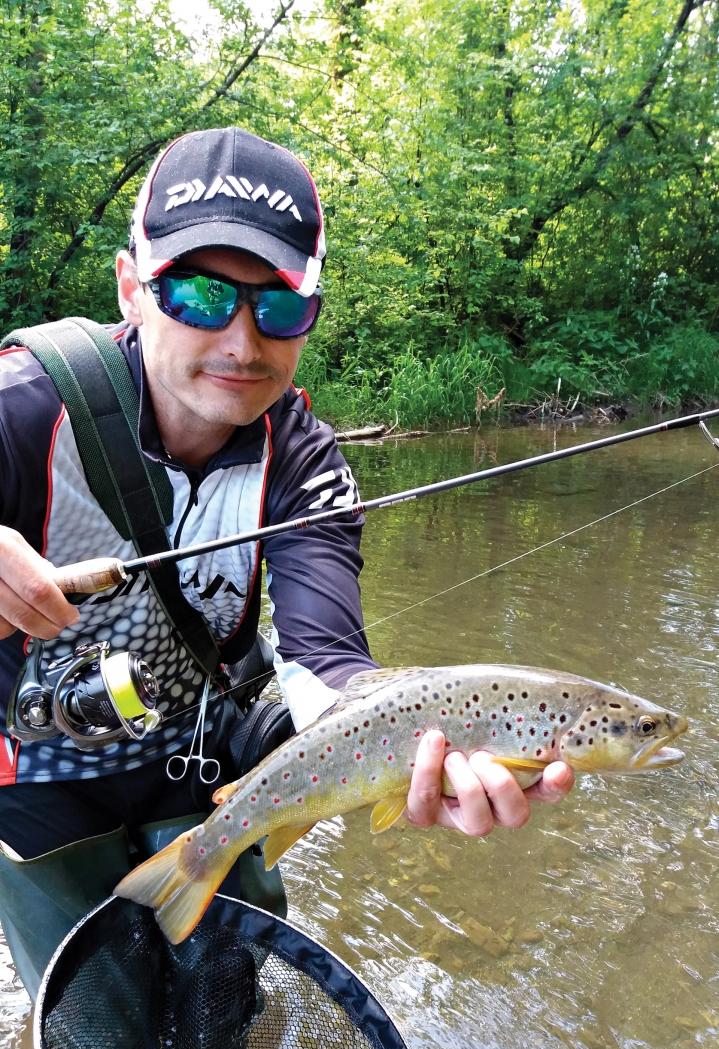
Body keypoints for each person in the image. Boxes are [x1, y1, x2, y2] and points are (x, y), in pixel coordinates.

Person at [0, 126, 573, 994]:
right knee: (96, 1021)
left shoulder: (305, 462)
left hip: (209, 749)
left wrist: (413, 750)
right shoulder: (21, 407)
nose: (241, 342)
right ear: (130, 288)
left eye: (278, 308)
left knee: (227, 999)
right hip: (40, 772)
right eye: (198, 295)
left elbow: (326, 663)